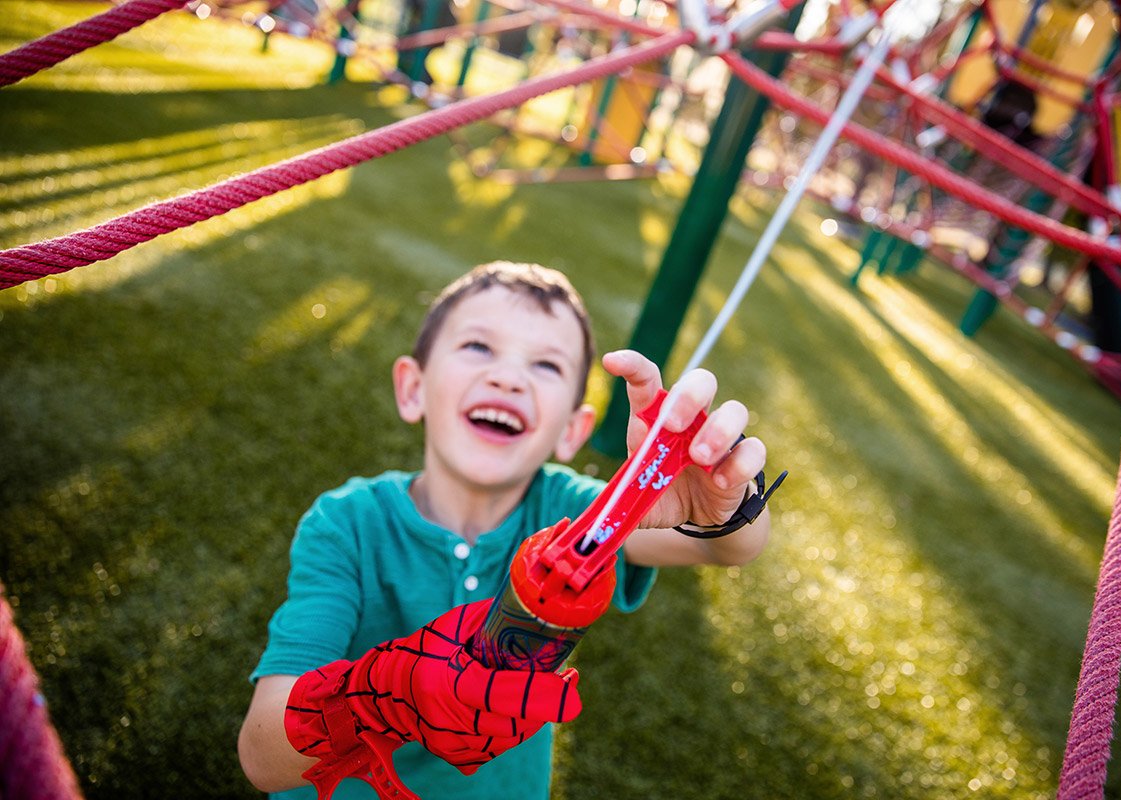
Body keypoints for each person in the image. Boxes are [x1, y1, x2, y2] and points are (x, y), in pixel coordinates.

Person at [237, 261, 774, 800]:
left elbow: (730, 548)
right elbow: (262, 756)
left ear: (572, 430)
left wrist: (723, 502)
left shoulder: (574, 513)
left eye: (546, 365)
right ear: (413, 388)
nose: (509, 377)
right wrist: (383, 695)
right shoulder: (347, 524)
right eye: (477, 347)